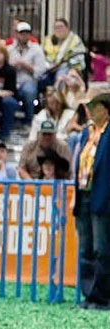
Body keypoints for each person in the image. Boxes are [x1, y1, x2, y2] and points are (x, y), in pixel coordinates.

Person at [73, 89, 110, 307]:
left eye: (94, 106)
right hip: (84, 193)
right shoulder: (87, 133)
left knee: (102, 249)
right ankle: (90, 294)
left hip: (102, 197)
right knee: (86, 248)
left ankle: (102, 296)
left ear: (105, 110)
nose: (89, 110)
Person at [8, 23, 47, 118]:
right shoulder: (9, 49)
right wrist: (13, 67)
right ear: (17, 34)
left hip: (28, 81)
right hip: (12, 82)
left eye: (27, 33)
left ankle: (29, 120)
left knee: (29, 91)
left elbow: (41, 71)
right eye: (21, 33)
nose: (24, 36)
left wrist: (27, 66)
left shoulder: (37, 49)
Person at [43, 18, 85, 83]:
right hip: (49, 69)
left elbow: (78, 58)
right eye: (56, 28)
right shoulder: (48, 40)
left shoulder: (75, 40)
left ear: (67, 28)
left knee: (61, 78)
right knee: (38, 79)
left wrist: (60, 66)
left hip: (68, 68)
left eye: (61, 27)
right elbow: (41, 55)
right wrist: (48, 65)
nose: (59, 30)